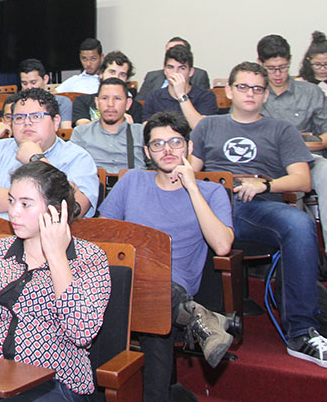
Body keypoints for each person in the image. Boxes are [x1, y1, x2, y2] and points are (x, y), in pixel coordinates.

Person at [189, 62, 327, 370]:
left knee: (299, 223)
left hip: (256, 207)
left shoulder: (281, 129)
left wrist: (264, 184)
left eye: (257, 88)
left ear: (265, 95)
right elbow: (190, 172)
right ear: (229, 91)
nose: (250, 93)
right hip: (212, 206)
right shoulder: (208, 126)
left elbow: (302, 180)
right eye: (243, 87)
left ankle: (301, 332)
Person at [0, 162, 111, 400]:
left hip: (52, 384)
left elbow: (81, 331)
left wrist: (57, 256)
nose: (13, 212)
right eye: (11, 201)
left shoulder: (89, 258)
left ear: (55, 210)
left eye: (25, 204)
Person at [100, 112, 236, 399]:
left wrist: (192, 188)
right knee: (153, 310)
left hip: (171, 287)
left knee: (157, 310)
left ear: (189, 147)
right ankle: (198, 317)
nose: (167, 150)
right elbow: (103, 235)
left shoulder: (211, 192)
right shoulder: (132, 180)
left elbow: (223, 245)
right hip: (124, 279)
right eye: (158, 144)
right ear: (147, 152)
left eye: (175, 142)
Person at [258, 34, 327, 289]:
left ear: (290, 61)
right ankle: (300, 257)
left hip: (307, 156)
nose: (278, 74)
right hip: (269, 164)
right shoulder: (256, 93)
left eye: (282, 67)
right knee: (291, 190)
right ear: (261, 64)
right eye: (271, 69)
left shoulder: (310, 92)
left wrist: (307, 143)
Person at [0, 88, 100, 218]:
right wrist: (36, 202)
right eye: (19, 117)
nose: (27, 123)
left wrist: (37, 160)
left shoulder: (78, 157)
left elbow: (74, 209)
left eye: (36, 116)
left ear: (56, 122)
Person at [70, 78, 145, 172]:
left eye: (117, 98)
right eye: (105, 98)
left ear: (128, 104)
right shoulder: (81, 133)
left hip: (133, 180)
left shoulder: (142, 133)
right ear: (97, 103)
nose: (110, 104)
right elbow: (72, 169)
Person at [141, 43, 218, 127]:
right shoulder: (153, 97)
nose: (175, 72)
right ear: (165, 70)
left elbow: (200, 128)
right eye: (170, 67)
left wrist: (181, 95)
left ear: (191, 72)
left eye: (182, 68)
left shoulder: (206, 96)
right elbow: (147, 128)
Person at [72, 51, 143, 127]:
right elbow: (82, 128)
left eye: (122, 75)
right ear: (101, 74)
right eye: (112, 72)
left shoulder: (134, 106)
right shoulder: (82, 101)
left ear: (127, 79)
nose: (116, 77)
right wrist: (118, 119)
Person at [137, 37, 211, 100]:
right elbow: (140, 102)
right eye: (169, 51)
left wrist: (181, 95)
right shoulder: (152, 76)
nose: (175, 72)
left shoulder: (199, 75)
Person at [19, 58, 73, 129]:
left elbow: (66, 131)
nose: (29, 87)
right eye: (24, 83)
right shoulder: (17, 104)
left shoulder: (62, 102)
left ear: (45, 79)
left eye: (33, 82)